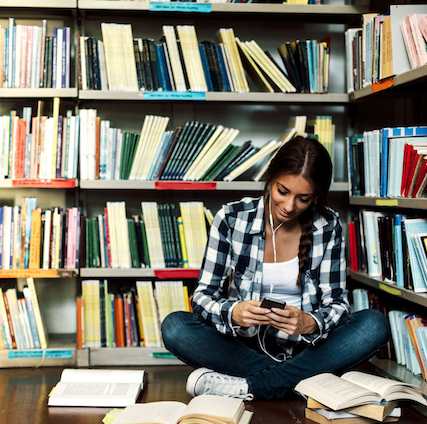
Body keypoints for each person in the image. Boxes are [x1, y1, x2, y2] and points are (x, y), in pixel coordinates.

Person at [161, 136, 390, 401]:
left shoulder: (327, 225)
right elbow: (202, 296)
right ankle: (297, 381)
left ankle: (253, 386)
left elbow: (337, 303)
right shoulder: (232, 218)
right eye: (283, 191)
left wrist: (310, 322)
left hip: (307, 349)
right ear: (270, 178)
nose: (289, 206)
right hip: (243, 347)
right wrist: (233, 312)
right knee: (175, 327)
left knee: (374, 325)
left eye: (303, 198)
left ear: (316, 196)